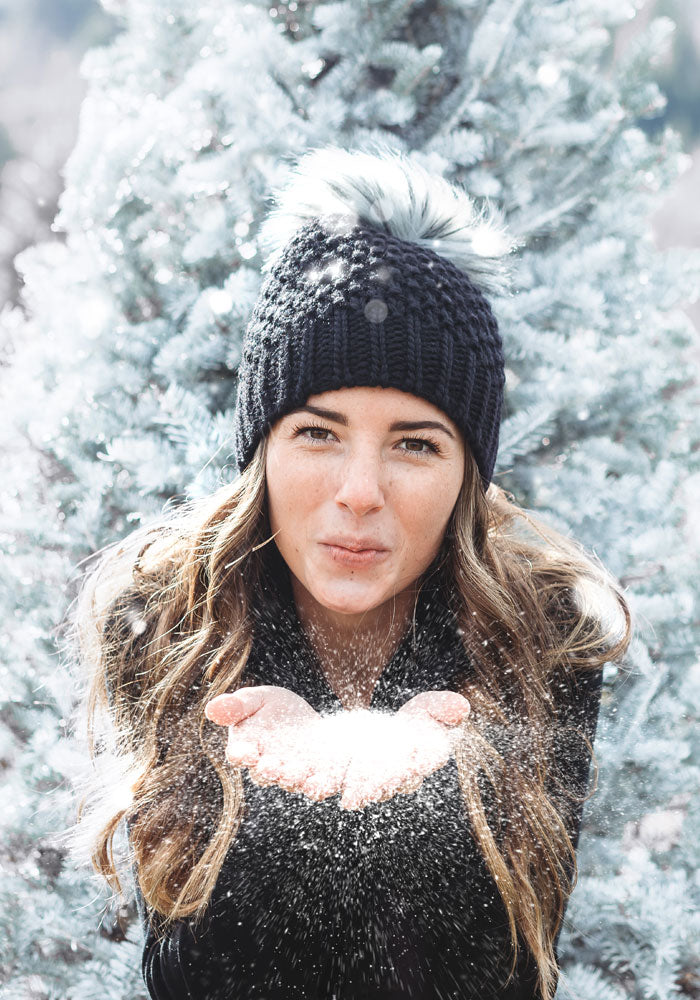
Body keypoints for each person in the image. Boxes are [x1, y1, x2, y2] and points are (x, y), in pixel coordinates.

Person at [69, 143, 632, 1000]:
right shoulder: (169, 616)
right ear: (263, 446)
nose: (359, 494)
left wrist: (427, 803)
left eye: (415, 444)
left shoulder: (543, 633)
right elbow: (183, 976)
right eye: (318, 433)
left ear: (467, 474)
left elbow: (515, 968)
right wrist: (280, 810)